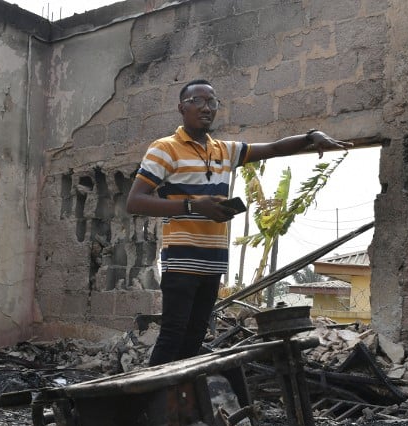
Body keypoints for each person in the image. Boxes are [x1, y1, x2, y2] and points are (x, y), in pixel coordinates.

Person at [126, 78, 352, 366]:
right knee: (172, 335)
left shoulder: (223, 150)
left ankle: (179, 401)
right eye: (198, 101)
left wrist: (311, 136)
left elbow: (273, 148)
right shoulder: (164, 149)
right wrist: (194, 206)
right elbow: (134, 202)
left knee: (194, 337)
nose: (206, 107)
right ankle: (150, 403)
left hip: (214, 262)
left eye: (212, 102)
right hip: (181, 261)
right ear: (181, 107)